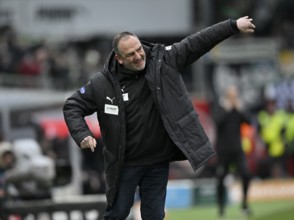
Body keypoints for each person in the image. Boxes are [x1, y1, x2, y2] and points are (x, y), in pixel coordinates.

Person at [63, 16, 256, 220]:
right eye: (131, 54)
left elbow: (198, 42)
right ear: (119, 58)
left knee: (154, 216)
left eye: (139, 49)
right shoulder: (102, 83)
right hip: (124, 163)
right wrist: (82, 134)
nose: (138, 56)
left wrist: (232, 25)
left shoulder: (164, 60)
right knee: (117, 214)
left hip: (157, 162)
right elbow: (72, 106)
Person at [214, 86, 253, 219]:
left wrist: (240, 108)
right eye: (231, 96)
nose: (233, 99)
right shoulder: (221, 107)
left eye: (235, 96)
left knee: (246, 174)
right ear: (227, 96)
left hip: (237, 149)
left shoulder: (238, 109)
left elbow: (248, 121)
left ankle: (245, 205)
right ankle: (221, 209)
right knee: (220, 179)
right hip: (223, 150)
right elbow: (217, 122)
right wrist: (227, 109)